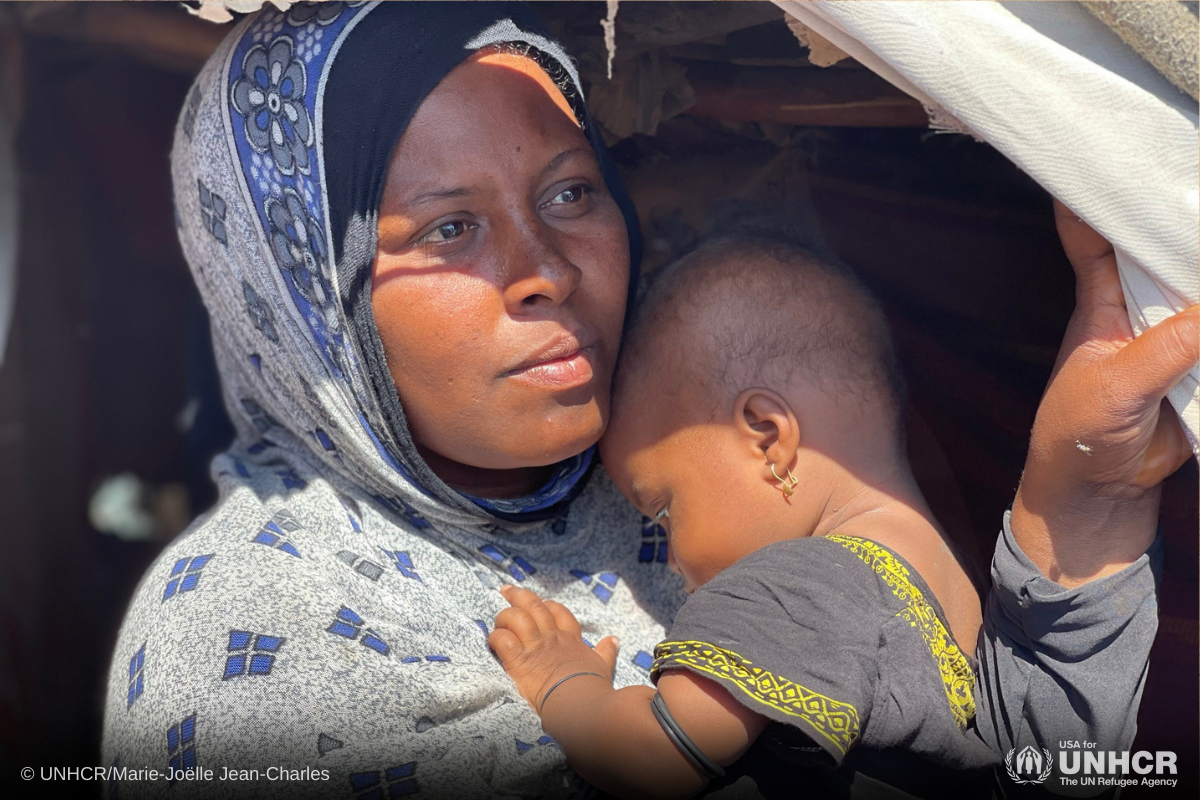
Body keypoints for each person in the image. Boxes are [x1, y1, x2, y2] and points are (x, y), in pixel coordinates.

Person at [101, 2, 1198, 799]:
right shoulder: (249, 636)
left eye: (571, 192)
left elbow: (1035, 765)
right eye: (449, 227)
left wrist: (1079, 502)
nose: (548, 268)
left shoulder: (705, 484)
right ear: (311, 311)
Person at [487, 224, 1178, 799]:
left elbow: (653, 760)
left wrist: (567, 682)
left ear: (768, 437)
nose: (668, 558)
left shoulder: (793, 584)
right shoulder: (962, 587)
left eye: (663, 510)